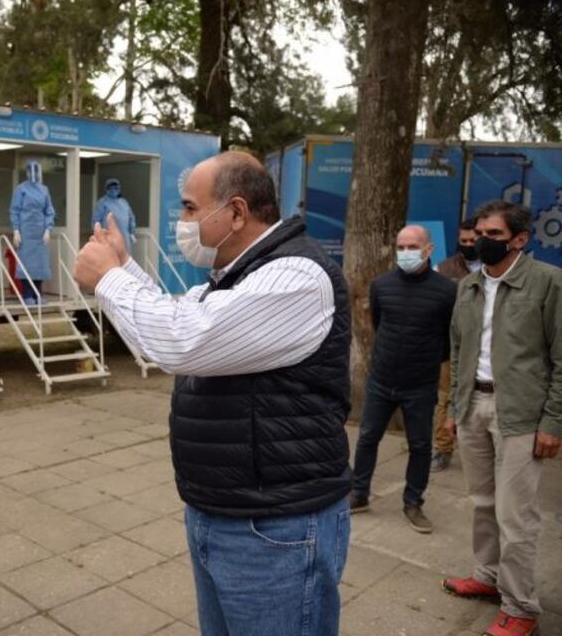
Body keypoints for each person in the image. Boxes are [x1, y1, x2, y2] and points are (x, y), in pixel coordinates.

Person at [74, 151, 352, 636]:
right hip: (227, 510)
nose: (181, 221)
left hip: (274, 526)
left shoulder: (296, 276)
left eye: (189, 207)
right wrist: (124, 264)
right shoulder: (241, 274)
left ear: (237, 212)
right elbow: (181, 313)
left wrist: (109, 279)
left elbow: (183, 340)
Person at [441, 200, 560, 636]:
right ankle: (488, 576)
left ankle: (521, 607)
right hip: (474, 405)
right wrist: (455, 408)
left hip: (521, 414)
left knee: (516, 516)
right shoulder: (468, 286)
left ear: (520, 239)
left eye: (494, 235)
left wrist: (553, 422)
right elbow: (458, 351)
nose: (482, 242)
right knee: (483, 503)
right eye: (479, 234)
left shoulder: (548, 282)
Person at [348, 226, 457, 533]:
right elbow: (379, 323)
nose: (406, 253)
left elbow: (448, 339)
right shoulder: (382, 285)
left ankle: (413, 502)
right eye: (401, 247)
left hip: (420, 385)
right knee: (367, 438)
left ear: (429, 249)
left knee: (420, 446)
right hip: (381, 380)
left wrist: (424, 360)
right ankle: (359, 493)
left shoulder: (447, 291)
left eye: (413, 247)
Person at [432, 217, 481, 472]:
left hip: (487, 347)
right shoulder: (444, 269)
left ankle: (483, 451)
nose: (469, 245)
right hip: (452, 346)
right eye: (464, 241)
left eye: (473, 240)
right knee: (446, 398)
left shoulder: (496, 267)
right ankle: (443, 449)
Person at [10, 160, 55, 305]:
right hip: (26, 232)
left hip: (40, 233)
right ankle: (27, 294)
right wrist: (16, 230)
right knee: (26, 264)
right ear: (27, 172)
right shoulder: (21, 189)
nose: (34, 174)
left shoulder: (44, 190)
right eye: (31, 171)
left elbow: (49, 211)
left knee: (40, 265)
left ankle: (38, 293)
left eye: (36, 170)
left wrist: (48, 229)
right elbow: (15, 210)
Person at [91, 178, 137, 256]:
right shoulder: (103, 203)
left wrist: (132, 233)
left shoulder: (124, 202)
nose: (113, 190)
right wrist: (99, 236)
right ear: (107, 189)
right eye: (111, 188)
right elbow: (96, 221)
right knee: (111, 259)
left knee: (125, 259)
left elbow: (131, 218)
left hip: (125, 238)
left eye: (116, 188)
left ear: (119, 189)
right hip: (109, 239)